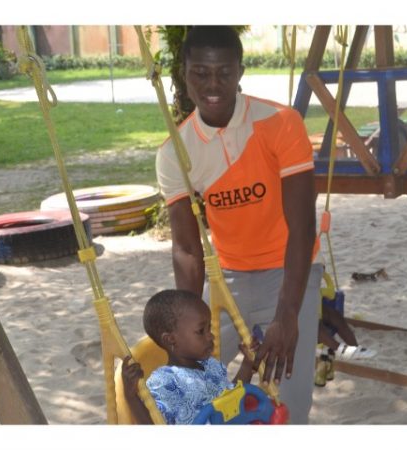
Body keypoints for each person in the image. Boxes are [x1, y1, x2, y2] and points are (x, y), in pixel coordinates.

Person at [155, 25, 324, 424]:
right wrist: (186, 320)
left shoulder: (281, 122)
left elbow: (302, 226)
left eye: (224, 73)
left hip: (291, 271)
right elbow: (187, 249)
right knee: (192, 381)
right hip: (228, 279)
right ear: (184, 74)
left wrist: (287, 314)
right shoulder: (175, 152)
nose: (212, 85)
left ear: (240, 72)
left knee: (289, 404)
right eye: (200, 73)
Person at [121, 289, 259, 424]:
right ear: (170, 339)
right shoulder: (165, 381)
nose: (211, 336)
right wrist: (132, 397)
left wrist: (247, 364)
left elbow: (233, 398)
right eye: (201, 331)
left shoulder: (211, 365)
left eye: (209, 328)